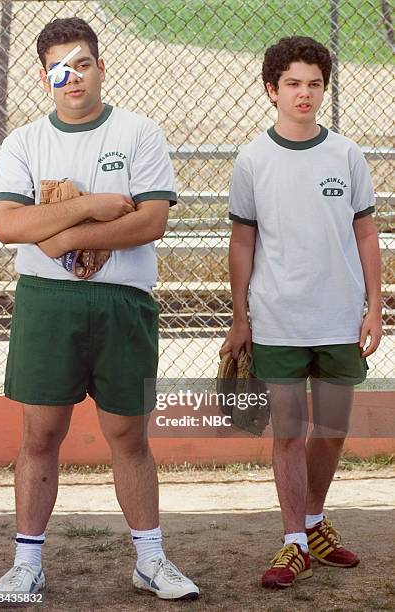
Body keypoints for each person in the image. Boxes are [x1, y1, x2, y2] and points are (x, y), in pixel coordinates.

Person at [0, 17, 199, 601]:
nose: (72, 76)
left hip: (122, 303)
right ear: (44, 77)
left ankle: (150, 560)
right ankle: (27, 563)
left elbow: (152, 220)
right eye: (60, 68)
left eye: (82, 64)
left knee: (128, 435)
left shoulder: (138, 134)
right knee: (40, 435)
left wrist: (60, 232)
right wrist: (98, 206)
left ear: (101, 68)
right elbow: (9, 225)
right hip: (47, 304)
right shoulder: (25, 142)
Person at [221, 36, 382, 589]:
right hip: (277, 318)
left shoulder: (347, 154)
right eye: (292, 83)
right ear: (272, 90)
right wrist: (240, 317)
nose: (304, 93)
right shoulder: (253, 158)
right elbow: (242, 242)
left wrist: (375, 308)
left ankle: (313, 520)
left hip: (338, 316)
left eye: (314, 84)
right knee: (288, 431)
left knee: (332, 430)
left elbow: (366, 233)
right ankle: (293, 541)